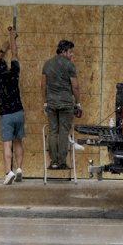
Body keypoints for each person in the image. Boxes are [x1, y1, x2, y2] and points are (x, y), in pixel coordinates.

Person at [0, 27, 25, 185]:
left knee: (7, 144)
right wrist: (12, 38)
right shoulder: (13, 74)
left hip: (6, 115)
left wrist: (4, 47)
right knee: (18, 142)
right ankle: (19, 169)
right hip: (19, 112)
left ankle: (8, 172)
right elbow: (15, 55)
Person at [41, 39, 82, 170]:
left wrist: (45, 102)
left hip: (51, 103)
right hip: (66, 103)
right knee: (64, 131)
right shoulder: (69, 65)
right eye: (70, 52)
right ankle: (62, 162)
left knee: (53, 131)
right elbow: (75, 87)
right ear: (63, 51)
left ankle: (53, 162)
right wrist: (78, 103)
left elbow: (43, 86)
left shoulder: (47, 64)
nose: (72, 55)